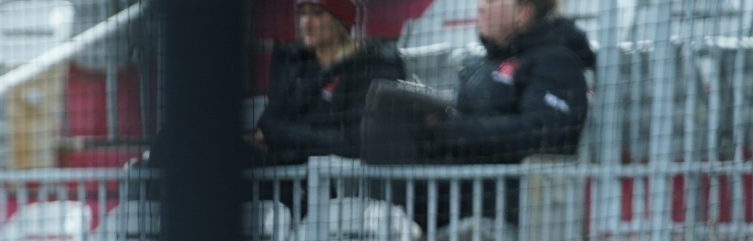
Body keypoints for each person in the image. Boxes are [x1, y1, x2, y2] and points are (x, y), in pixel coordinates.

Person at [425, 0, 594, 164]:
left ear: (523, 12)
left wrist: (456, 131)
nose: (480, 7)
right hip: (463, 186)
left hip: (510, 189)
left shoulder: (555, 62)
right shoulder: (483, 63)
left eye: (491, 1)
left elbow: (542, 133)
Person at [252, 0, 408, 164]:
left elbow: (354, 142)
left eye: (317, 13)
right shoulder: (297, 67)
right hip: (291, 175)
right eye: (303, 13)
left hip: (338, 182)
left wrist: (280, 136)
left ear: (339, 20)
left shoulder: (368, 67)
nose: (306, 22)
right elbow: (267, 124)